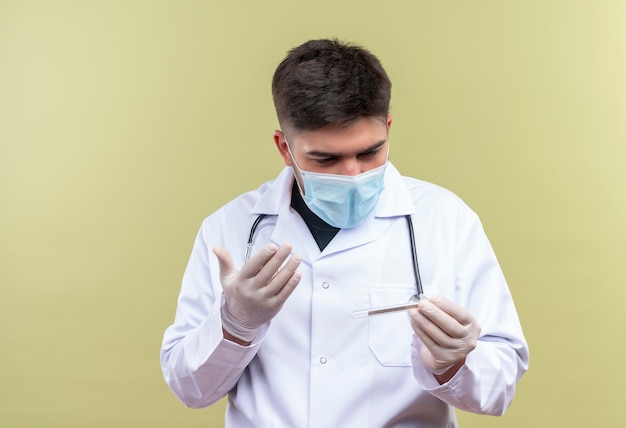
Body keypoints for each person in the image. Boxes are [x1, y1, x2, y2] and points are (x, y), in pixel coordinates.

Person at [160, 38, 529, 427]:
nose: (353, 174)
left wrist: (452, 362)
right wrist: (234, 323)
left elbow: (499, 388)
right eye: (326, 158)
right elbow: (190, 390)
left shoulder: (446, 220)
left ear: (388, 127)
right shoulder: (229, 228)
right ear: (284, 148)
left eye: (370, 152)